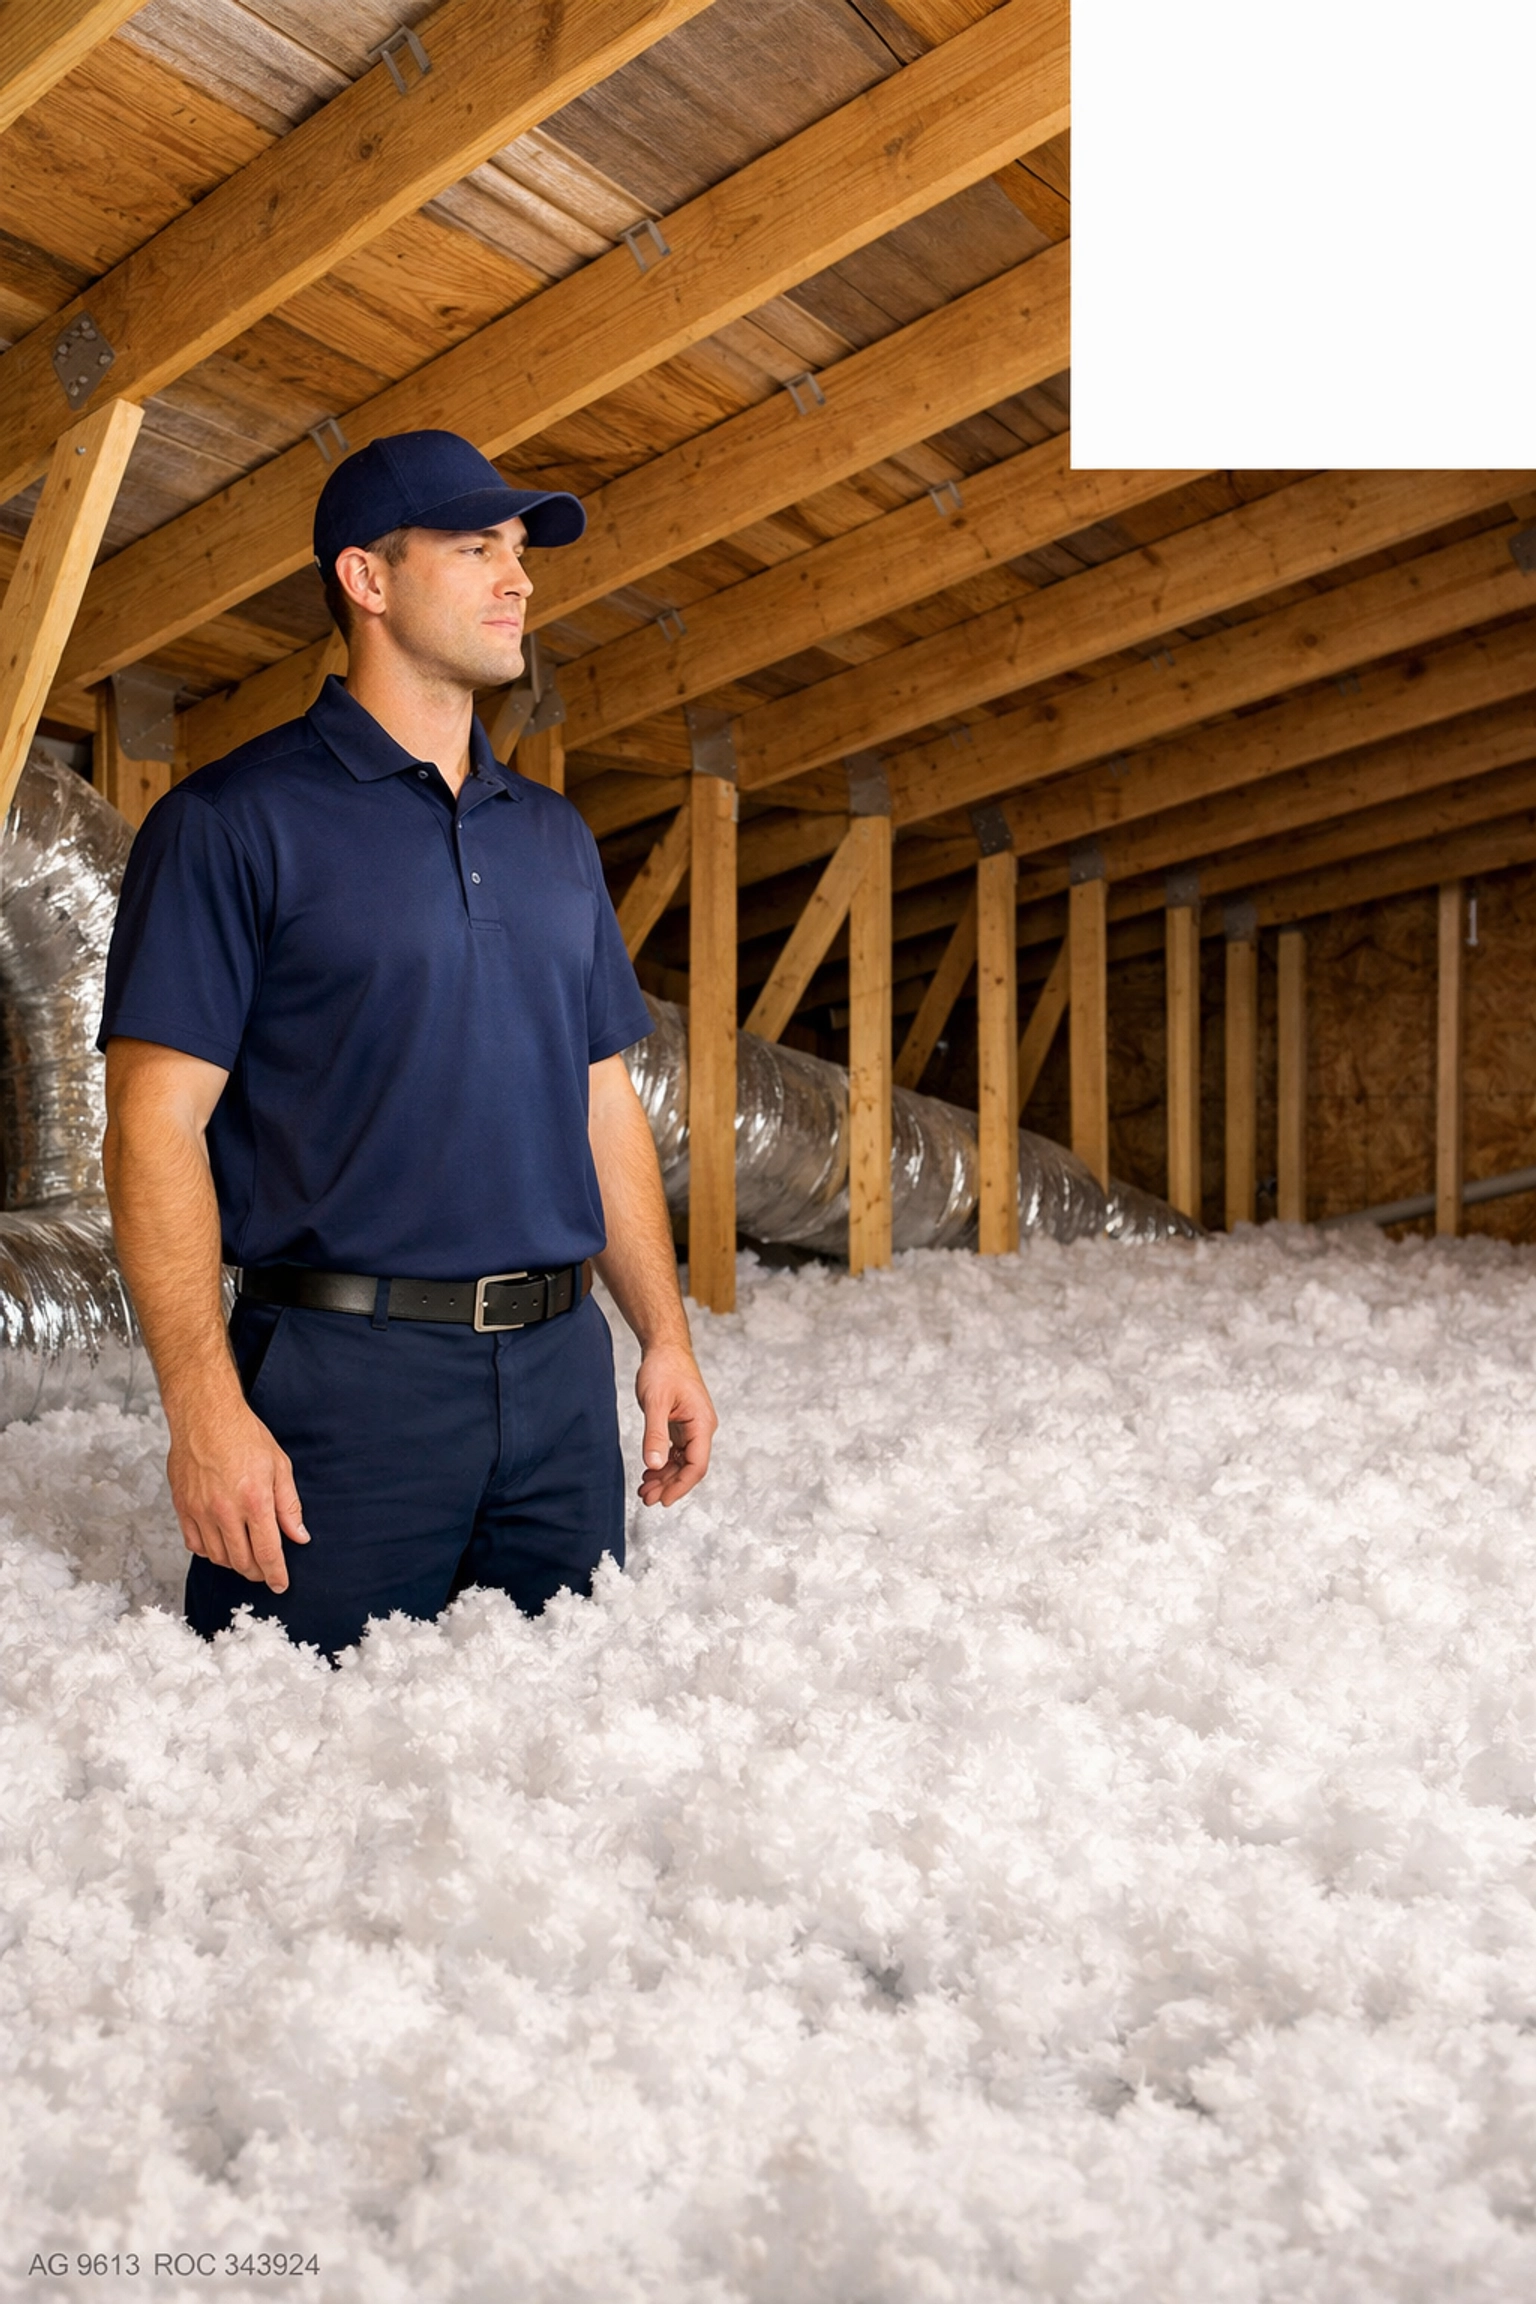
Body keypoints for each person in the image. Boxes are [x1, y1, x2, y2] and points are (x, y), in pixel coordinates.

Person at [98, 427, 716, 1659]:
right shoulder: (230, 822)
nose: (519, 578)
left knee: (553, 1757)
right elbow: (150, 1125)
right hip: (343, 1383)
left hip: (556, 1380)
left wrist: (665, 1337)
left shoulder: (552, 838)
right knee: (298, 1772)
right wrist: (202, 1407)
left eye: (522, 550)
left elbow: (603, 1103)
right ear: (365, 581)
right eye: (476, 546)